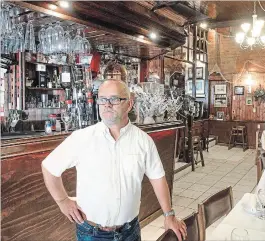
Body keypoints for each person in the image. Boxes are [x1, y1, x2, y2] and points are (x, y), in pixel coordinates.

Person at [41, 79, 187, 241]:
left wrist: (169, 215)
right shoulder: (82, 138)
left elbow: (158, 178)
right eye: (102, 99)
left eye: (114, 99)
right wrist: (62, 201)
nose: (107, 104)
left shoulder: (143, 141)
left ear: (129, 104)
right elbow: (49, 167)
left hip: (130, 232)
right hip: (92, 233)